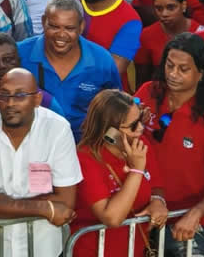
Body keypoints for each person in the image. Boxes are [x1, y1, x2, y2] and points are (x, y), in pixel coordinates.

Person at [133, 33, 204, 254]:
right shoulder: (147, 92)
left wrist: (196, 213)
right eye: (169, 65)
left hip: (180, 222)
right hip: (135, 215)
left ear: (201, 73)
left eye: (183, 69)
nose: (173, 74)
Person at [0, 68, 80, 256]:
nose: (10, 103)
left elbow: (66, 201)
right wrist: (44, 208)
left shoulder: (57, 129)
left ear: (37, 100)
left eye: (20, 96)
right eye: (4, 95)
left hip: (44, 247)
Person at [71, 89, 167, 257]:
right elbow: (112, 218)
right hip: (95, 251)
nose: (141, 128)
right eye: (133, 125)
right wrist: (136, 170)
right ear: (109, 132)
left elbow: (156, 186)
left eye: (141, 119)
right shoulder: (86, 158)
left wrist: (158, 201)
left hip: (134, 249)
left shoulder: (141, 144)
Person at [18, 0, 123, 139]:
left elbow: (115, 109)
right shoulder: (19, 54)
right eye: (54, 26)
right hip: (32, 141)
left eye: (69, 28)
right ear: (43, 22)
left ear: (81, 26)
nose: (61, 35)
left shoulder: (102, 60)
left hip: (83, 145)